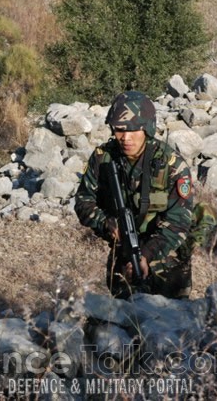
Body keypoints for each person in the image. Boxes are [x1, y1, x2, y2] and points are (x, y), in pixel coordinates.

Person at [74, 91, 195, 299]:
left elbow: (179, 222)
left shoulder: (171, 164)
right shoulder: (103, 158)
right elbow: (83, 201)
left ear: (147, 128)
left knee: (171, 321)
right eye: (119, 130)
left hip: (165, 253)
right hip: (124, 252)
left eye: (133, 130)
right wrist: (106, 223)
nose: (125, 138)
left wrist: (146, 255)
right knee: (123, 320)